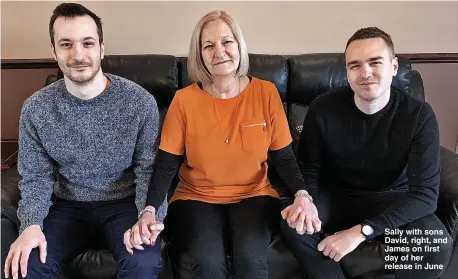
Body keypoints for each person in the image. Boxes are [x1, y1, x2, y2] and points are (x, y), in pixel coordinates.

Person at [123, 10, 320, 279]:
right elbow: (166, 164)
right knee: (207, 263)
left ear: (239, 46)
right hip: (195, 196)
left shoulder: (266, 93)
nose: (220, 52)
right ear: (200, 55)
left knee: (251, 261)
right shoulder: (183, 101)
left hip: (254, 194)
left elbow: (283, 157)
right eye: (208, 45)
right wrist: (149, 210)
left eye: (227, 41)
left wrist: (302, 194)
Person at [4, 3, 166, 279]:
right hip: (67, 205)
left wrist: (147, 217)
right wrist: (30, 225)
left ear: (101, 48)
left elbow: (148, 170)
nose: (78, 54)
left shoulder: (139, 102)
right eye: (66, 44)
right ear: (53, 50)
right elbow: (35, 177)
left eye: (87, 43)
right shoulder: (36, 109)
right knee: (27, 263)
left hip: (124, 204)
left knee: (144, 263)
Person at [281, 26, 451, 279]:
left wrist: (361, 232)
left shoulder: (418, 115)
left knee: (435, 243)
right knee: (294, 224)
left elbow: (425, 195)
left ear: (394, 68)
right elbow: (309, 167)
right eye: (355, 65)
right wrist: (306, 202)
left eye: (375, 62)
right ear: (347, 71)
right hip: (336, 196)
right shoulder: (322, 108)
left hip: (391, 197)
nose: (365, 73)